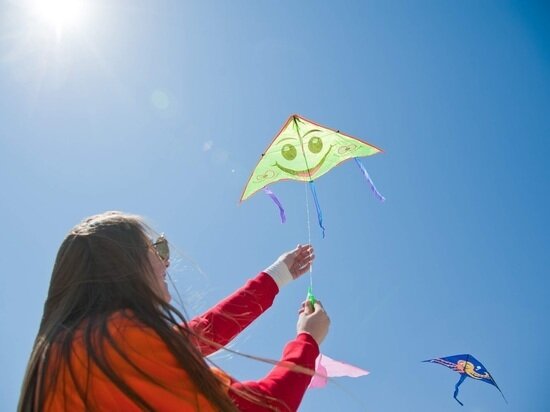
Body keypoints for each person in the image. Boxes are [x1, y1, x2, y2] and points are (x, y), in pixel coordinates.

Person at [18, 211, 330, 411]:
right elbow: (263, 408)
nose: (166, 261)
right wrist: (307, 342)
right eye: (157, 249)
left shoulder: (79, 348)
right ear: (122, 265)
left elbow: (203, 332)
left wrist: (278, 275)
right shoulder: (119, 344)